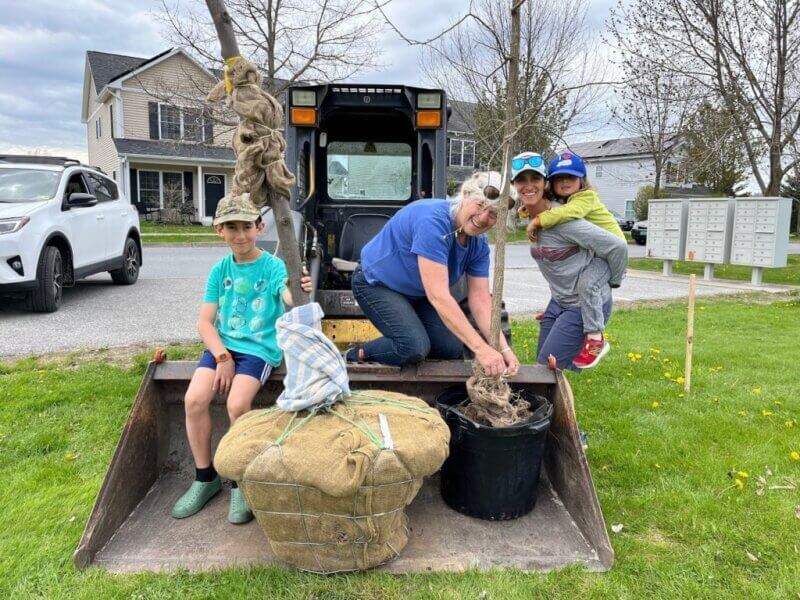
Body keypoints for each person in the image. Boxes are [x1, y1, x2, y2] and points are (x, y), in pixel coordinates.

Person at [171, 194, 312, 524]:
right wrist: (221, 356)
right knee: (194, 399)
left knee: (237, 405)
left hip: (258, 350)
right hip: (224, 348)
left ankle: (239, 482)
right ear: (219, 230)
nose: (240, 235)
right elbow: (205, 322)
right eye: (232, 227)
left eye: (247, 227)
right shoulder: (220, 270)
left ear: (260, 228)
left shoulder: (273, 266)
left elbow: (289, 296)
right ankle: (205, 479)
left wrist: (298, 286)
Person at [345, 172, 520, 377]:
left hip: (418, 293)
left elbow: (480, 299)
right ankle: (355, 354)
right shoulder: (433, 222)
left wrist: (503, 349)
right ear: (465, 195)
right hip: (376, 284)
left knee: (451, 348)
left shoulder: (478, 244)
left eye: (493, 214)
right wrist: (481, 349)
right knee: (413, 346)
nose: (483, 218)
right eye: (480, 205)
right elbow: (439, 296)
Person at [511, 151, 628, 370]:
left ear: (544, 182)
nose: (528, 185)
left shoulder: (564, 219)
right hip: (559, 302)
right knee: (548, 370)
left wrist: (614, 279)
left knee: (545, 368)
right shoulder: (534, 213)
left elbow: (618, 246)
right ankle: (557, 405)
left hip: (582, 305)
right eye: (521, 180)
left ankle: (595, 339)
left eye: (535, 179)